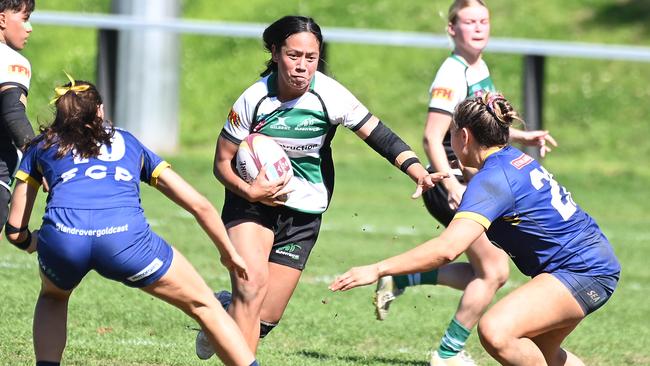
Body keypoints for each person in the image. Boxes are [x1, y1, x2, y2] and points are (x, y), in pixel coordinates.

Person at [195, 15, 448, 359]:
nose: (301, 66)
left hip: (303, 208)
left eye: (310, 58)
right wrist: (251, 191)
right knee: (252, 290)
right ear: (274, 52)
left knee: (265, 317)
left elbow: (379, 135)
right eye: (293, 55)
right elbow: (221, 162)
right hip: (250, 204)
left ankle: (223, 313)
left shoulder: (328, 94)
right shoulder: (253, 100)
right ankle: (238, 309)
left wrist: (416, 170)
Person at [330, 92, 620, 366]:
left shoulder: (492, 181)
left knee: (497, 330)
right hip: (592, 259)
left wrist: (379, 269)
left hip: (583, 269)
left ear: (464, 135)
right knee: (545, 353)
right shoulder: (512, 159)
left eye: (451, 133)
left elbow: (447, 250)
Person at [4, 76, 260, 366]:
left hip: (65, 238)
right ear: (99, 111)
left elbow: (14, 229)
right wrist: (229, 254)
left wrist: (32, 242)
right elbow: (199, 205)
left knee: (53, 297)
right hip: (125, 240)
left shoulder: (41, 147)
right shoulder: (127, 141)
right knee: (206, 305)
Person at [374, 1, 558, 364]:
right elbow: (431, 137)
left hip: (474, 180)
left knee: (483, 271)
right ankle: (447, 354)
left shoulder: (479, 66)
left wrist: (522, 136)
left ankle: (401, 280)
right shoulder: (451, 74)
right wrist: (452, 187)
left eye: (483, 21)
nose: (478, 27)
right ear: (451, 30)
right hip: (453, 180)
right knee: (493, 272)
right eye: (469, 21)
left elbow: (485, 125)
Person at [0, 0, 35, 236]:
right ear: (2, 19)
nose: (29, 27)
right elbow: (13, 114)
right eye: (24, 18)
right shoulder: (11, 60)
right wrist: (40, 158)